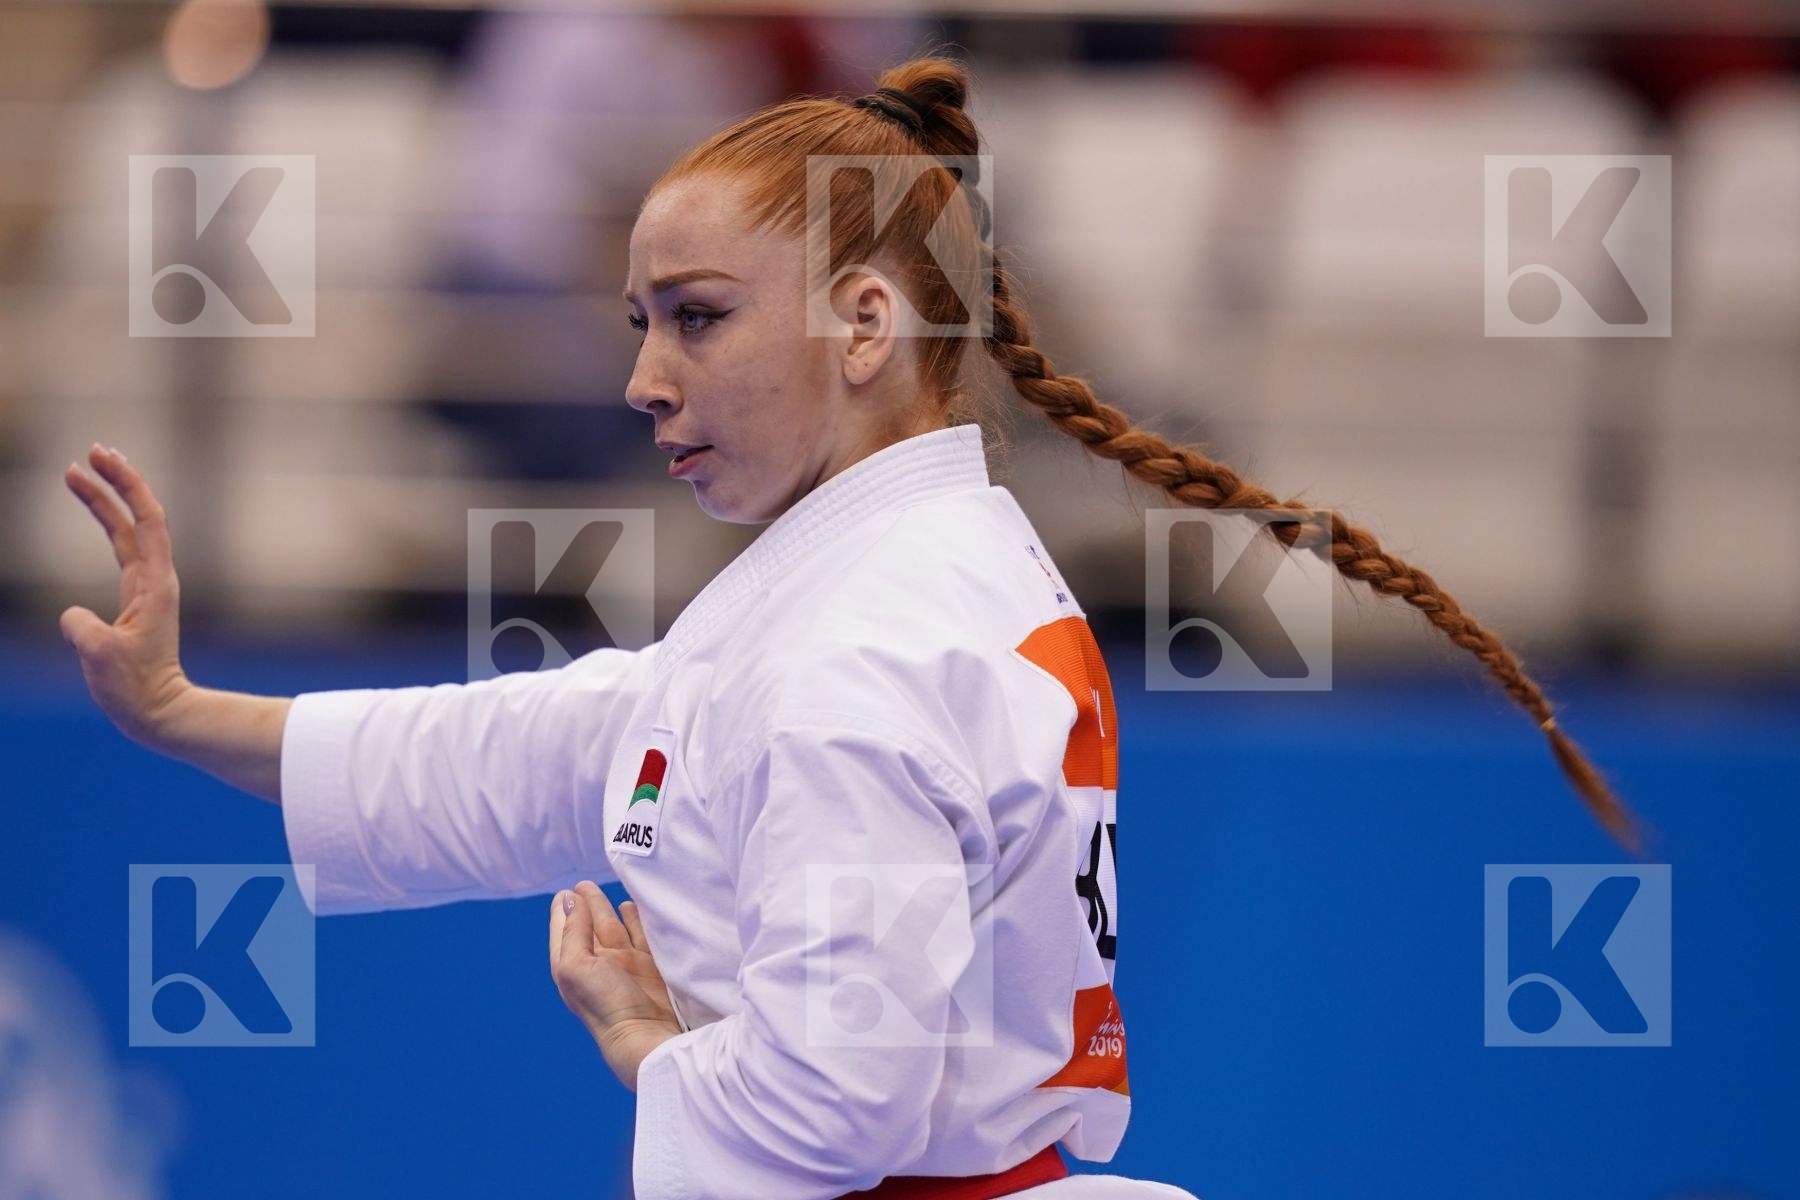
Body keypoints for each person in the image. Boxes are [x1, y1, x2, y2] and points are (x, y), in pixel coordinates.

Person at [61, 55, 1637, 1200]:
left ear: (868, 324)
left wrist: (645, 1048)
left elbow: (836, 1114)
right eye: (639, 326)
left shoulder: (862, 656)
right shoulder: (902, 578)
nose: (642, 379)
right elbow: (562, 741)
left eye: (698, 315)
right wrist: (182, 710)